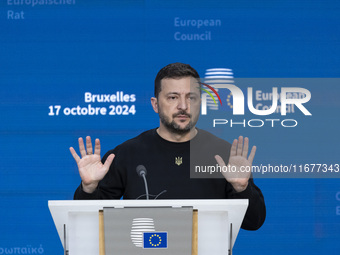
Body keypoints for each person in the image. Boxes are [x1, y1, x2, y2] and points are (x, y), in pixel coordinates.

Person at [71, 62, 266, 230]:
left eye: (191, 98)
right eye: (173, 97)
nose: (183, 106)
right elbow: (89, 223)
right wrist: (88, 188)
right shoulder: (126, 154)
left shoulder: (224, 154)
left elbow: (253, 222)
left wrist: (242, 189)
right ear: (155, 104)